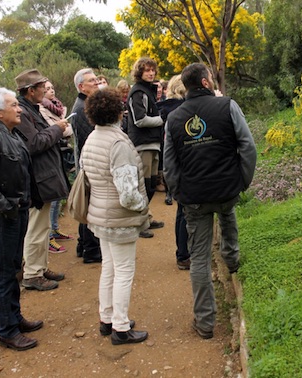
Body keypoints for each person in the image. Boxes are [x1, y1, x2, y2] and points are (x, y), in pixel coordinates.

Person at [164, 63, 257, 339]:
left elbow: (169, 165)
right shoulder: (228, 106)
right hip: (227, 188)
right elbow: (247, 145)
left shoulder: (174, 118)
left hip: (194, 197)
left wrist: (178, 192)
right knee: (227, 216)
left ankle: (205, 323)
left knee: (200, 258)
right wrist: (243, 180)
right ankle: (232, 259)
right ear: (205, 83)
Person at [0, 87, 44, 350]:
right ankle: (7, 331)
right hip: (5, 217)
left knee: (14, 269)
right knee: (3, 273)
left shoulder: (10, 136)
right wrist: (6, 209)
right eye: (14, 105)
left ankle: (15, 318)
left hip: (17, 212)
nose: (20, 108)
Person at [81, 88, 150, 345]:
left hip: (99, 214)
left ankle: (106, 319)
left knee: (109, 268)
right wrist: (143, 206)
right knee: (123, 271)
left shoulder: (92, 139)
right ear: (119, 112)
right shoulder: (118, 143)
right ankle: (121, 328)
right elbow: (128, 193)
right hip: (119, 218)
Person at [15, 69, 69, 291]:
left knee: (43, 226)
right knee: (37, 228)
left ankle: (39, 267)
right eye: (41, 88)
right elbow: (34, 143)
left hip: (43, 177)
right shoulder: (23, 113)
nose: (45, 92)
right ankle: (32, 274)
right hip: (37, 181)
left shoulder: (31, 110)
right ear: (30, 91)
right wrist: (56, 129)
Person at [126, 57, 165, 238]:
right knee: (144, 185)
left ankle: (146, 218)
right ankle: (138, 223)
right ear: (139, 72)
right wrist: (162, 120)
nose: (151, 73)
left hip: (152, 143)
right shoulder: (137, 92)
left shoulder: (147, 90)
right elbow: (139, 120)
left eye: (152, 70)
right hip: (143, 144)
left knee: (150, 185)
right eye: (147, 70)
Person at [70, 68, 103, 263]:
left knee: (88, 204)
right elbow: (87, 140)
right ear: (81, 86)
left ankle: (84, 245)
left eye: (96, 79)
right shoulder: (81, 108)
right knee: (89, 206)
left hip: (86, 162)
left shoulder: (85, 104)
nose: (96, 83)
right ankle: (90, 249)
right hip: (89, 164)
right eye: (92, 81)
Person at [158, 75, 189, 269]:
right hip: (184, 166)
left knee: (181, 212)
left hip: (174, 165)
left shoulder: (166, 107)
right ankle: (184, 254)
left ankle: (182, 253)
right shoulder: (179, 110)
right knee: (185, 213)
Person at [39, 80, 74, 254]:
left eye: (52, 87)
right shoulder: (41, 110)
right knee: (52, 197)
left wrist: (62, 129)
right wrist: (61, 128)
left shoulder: (57, 108)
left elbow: (68, 130)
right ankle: (49, 236)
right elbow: (60, 131)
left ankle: (54, 228)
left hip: (59, 153)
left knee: (59, 194)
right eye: (46, 89)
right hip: (52, 155)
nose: (51, 91)